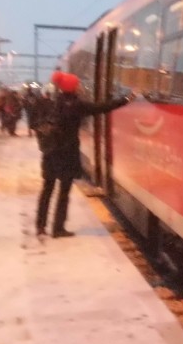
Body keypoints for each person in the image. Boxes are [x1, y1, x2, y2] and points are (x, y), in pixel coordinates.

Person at [35, 71, 131, 238]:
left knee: (47, 190)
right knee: (63, 193)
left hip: (50, 153)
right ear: (72, 87)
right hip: (67, 153)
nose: (79, 86)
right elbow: (101, 107)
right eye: (77, 84)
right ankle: (58, 228)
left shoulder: (52, 103)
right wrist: (125, 100)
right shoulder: (76, 105)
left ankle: (40, 226)